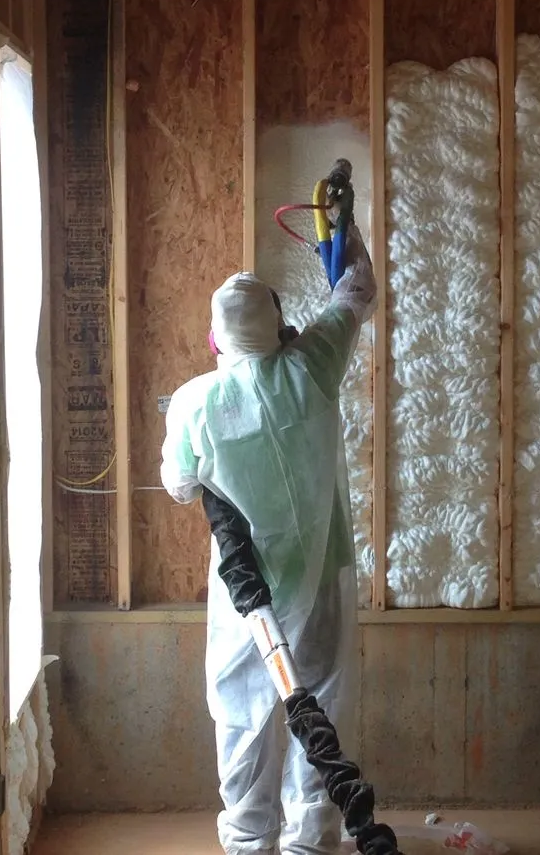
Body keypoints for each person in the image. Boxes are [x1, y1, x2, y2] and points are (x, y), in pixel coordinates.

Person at [161, 222, 377, 855]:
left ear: (213, 339)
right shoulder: (311, 364)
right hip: (323, 576)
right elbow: (357, 288)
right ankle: (311, 841)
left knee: (242, 714)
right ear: (279, 325)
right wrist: (341, 234)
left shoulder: (194, 402)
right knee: (323, 708)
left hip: (247, 594)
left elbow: (178, 485)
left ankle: (249, 842)